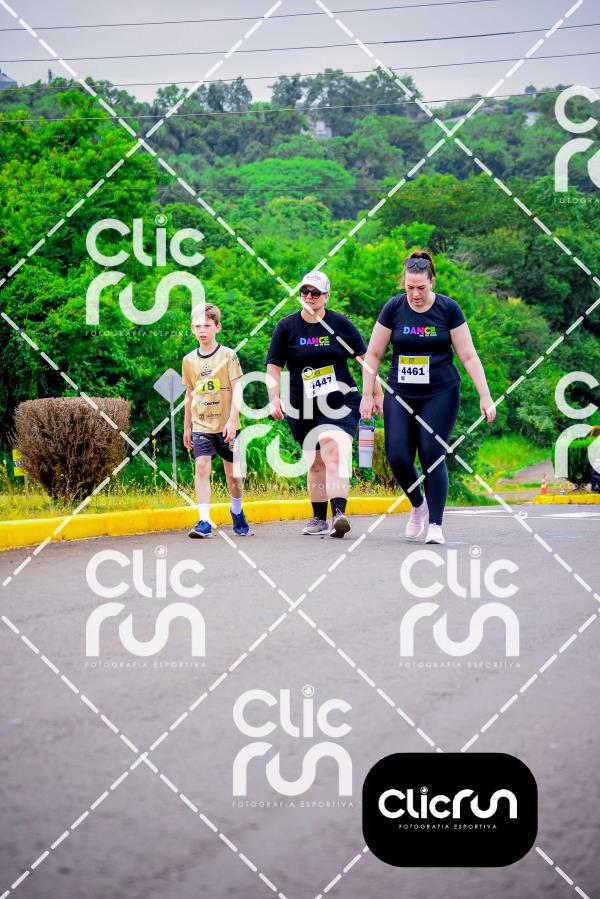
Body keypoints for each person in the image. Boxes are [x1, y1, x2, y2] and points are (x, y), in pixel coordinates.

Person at [360, 250, 496, 545]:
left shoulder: (448, 309)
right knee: (398, 456)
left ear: (432, 281)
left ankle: (435, 524)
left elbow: (468, 354)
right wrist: (367, 395)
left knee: (431, 454)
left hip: (440, 392)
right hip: (400, 392)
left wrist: (485, 396)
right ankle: (418, 504)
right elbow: (373, 354)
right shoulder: (394, 308)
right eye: (410, 287)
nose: (415, 294)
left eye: (421, 287)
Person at [266, 270, 378, 538]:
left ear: (326, 297)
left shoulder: (339, 324)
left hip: (340, 401)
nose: (309, 296)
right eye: (304, 292)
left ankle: (339, 514)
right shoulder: (287, 327)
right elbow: (273, 366)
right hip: (302, 406)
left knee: (333, 448)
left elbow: (366, 361)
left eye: (315, 293)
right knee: (315, 462)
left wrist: (374, 395)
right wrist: (274, 398)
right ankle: (318, 518)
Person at [183, 303, 249, 538]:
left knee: (234, 475)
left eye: (207, 326)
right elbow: (190, 393)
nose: (202, 330)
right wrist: (187, 426)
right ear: (192, 329)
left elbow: (238, 388)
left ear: (217, 327)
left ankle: (237, 510)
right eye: (198, 326)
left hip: (227, 425)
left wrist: (233, 420)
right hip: (201, 424)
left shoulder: (228, 355)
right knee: (202, 466)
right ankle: (204, 521)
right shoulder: (188, 360)